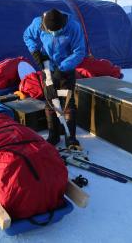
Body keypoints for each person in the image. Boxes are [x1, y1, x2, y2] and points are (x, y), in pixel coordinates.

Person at [23, 8, 86, 148]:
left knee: (67, 103)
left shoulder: (73, 27)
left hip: (66, 69)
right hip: (47, 68)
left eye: (56, 32)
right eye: (50, 32)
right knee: (51, 100)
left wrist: (62, 69)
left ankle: (71, 138)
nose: (53, 34)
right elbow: (28, 36)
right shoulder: (38, 23)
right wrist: (35, 52)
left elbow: (80, 51)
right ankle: (53, 135)